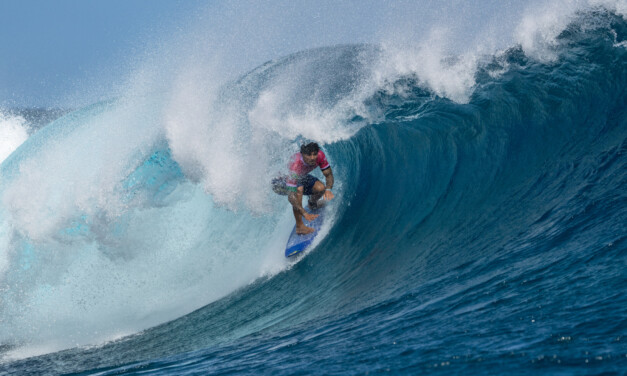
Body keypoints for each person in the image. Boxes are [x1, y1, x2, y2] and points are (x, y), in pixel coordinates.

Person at [272, 142, 334, 235]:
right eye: (309, 155)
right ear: (302, 154)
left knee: (321, 188)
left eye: (314, 154)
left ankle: (312, 204)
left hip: (300, 177)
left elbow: (328, 174)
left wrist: (328, 190)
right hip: (279, 183)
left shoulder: (320, 155)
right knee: (298, 191)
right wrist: (304, 213)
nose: (312, 158)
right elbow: (291, 196)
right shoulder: (295, 165)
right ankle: (299, 226)